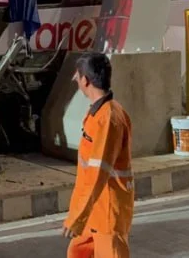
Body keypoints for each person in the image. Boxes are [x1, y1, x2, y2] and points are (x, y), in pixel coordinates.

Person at [63, 52, 133, 258]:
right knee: (77, 252)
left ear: (86, 81)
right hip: (95, 209)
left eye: (78, 76)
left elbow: (97, 173)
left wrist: (78, 216)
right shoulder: (99, 113)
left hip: (107, 211)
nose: (75, 80)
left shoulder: (108, 119)